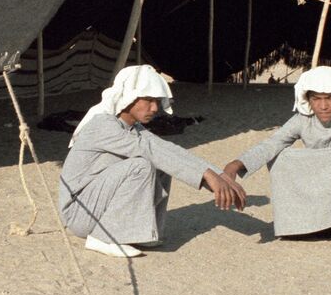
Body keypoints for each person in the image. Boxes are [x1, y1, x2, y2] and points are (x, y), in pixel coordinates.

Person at [59, 64, 246, 257]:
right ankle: (104, 238)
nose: (155, 108)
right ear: (129, 97)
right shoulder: (102, 125)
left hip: (94, 207)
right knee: (141, 165)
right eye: (148, 100)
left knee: (162, 163)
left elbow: (167, 150)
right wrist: (207, 176)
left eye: (157, 101)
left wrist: (218, 175)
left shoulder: (133, 128)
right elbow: (148, 150)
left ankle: (142, 232)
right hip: (79, 213)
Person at [223, 66, 331, 252]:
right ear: (308, 100)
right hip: (320, 176)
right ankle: (319, 224)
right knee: (279, 157)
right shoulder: (302, 119)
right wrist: (236, 164)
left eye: (330, 98)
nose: (323, 106)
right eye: (316, 99)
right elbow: (272, 143)